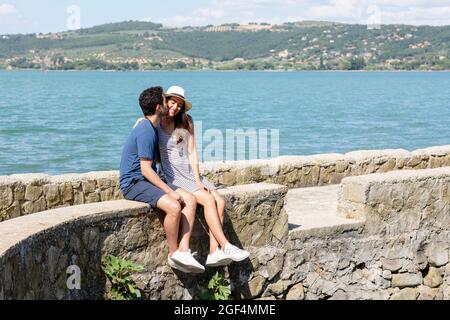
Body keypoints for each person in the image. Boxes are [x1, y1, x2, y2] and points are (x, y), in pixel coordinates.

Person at [157, 86, 250, 267]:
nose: (175, 107)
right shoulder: (156, 123)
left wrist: (198, 179)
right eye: (172, 101)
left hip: (190, 174)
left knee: (220, 202)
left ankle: (214, 252)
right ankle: (225, 246)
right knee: (208, 199)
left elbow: (192, 152)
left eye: (179, 104)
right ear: (165, 101)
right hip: (172, 176)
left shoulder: (186, 121)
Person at [119, 86, 204, 273]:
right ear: (159, 107)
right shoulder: (147, 130)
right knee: (174, 206)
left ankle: (183, 250)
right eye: (166, 101)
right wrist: (169, 190)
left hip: (143, 180)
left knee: (187, 200)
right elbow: (146, 170)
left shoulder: (150, 126)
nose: (169, 104)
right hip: (134, 183)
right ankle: (174, 254)